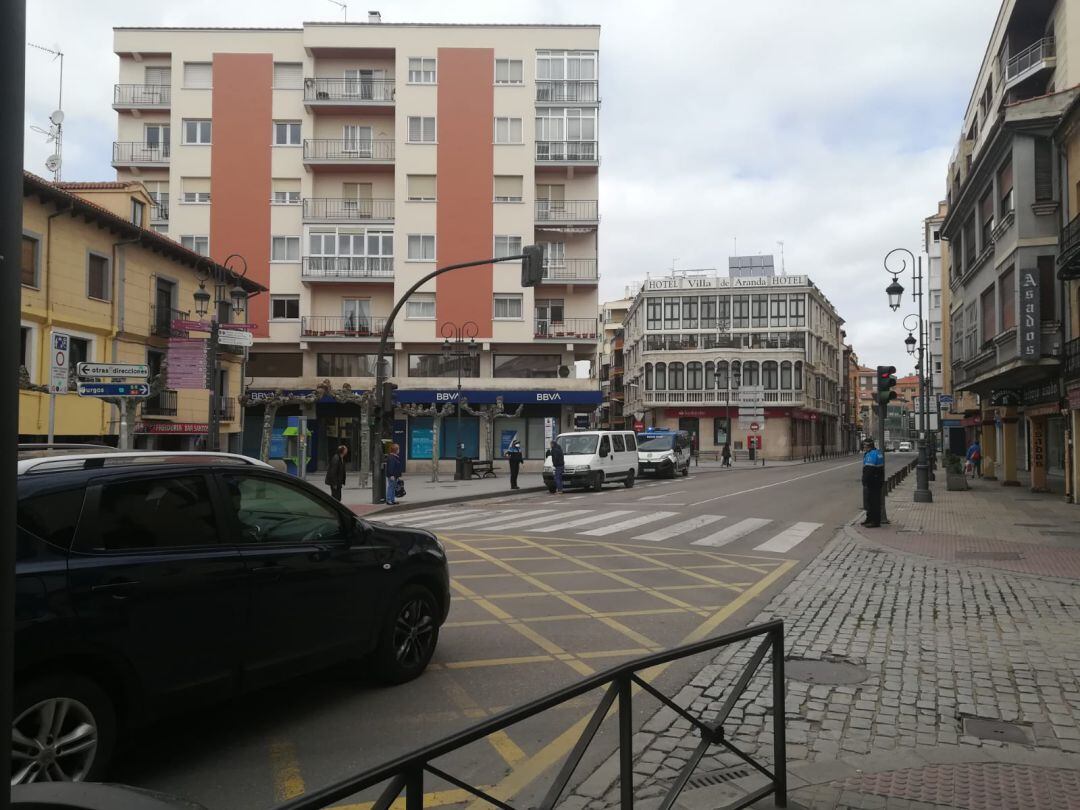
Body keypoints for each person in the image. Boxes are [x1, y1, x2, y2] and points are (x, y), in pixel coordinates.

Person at [861, 438, 884, 528]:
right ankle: (869, 519)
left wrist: (864, 481)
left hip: (873, 481)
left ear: (869, 446)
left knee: (874, 502)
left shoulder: (872, 455)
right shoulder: (877, 452)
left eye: (865, 446)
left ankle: (875, 521)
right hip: (877, 480)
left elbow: (869, 470)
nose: (864, 447)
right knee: (870, 501)